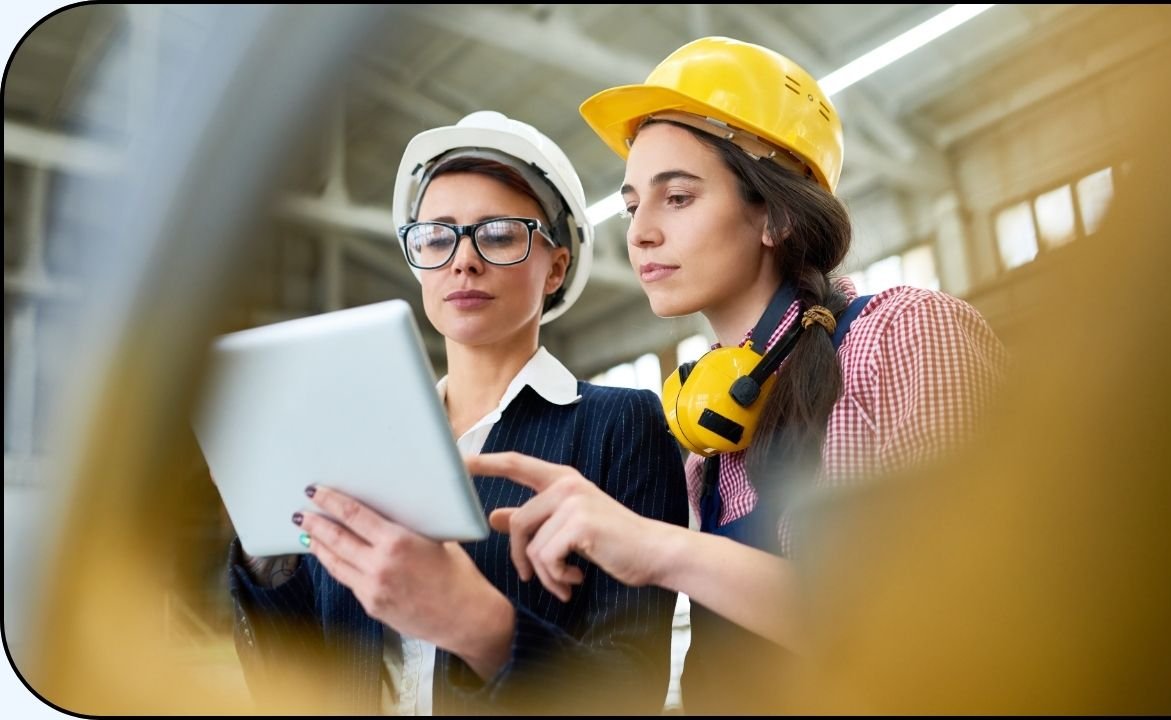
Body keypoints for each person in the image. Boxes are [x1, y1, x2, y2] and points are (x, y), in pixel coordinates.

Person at [469, 37, 1009, 713]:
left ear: (775, 214)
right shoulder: (712, 442)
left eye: (678, 197)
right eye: (635, 205)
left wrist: (658, 548)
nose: (638, 234)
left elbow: (963, 620)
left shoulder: (902, 335)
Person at [225, 110, 688, 715]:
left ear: (556, 266)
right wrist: (267, 539)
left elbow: (628, 689)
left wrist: (482, 626)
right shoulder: (360, 445)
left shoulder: (620, 425)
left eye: (497, 234)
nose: (462, 261)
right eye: (437, 237)